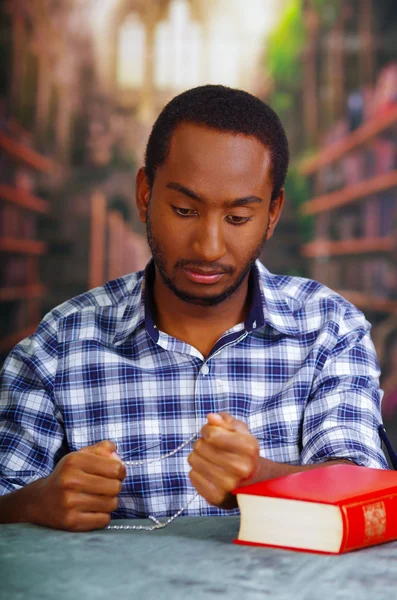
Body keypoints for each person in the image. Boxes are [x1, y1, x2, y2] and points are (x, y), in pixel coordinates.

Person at [0, 85, 389, 531]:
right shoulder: (57, 346)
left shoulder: (329, 329)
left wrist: (258, 479)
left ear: (274, 213)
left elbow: (367, 491)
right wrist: (35, 503)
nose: (209, 247)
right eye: (185, 210)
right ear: (145, 194)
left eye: (238, 218)